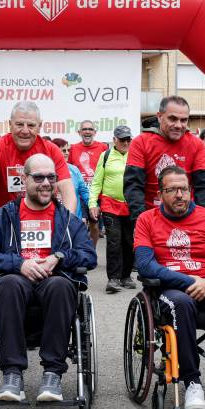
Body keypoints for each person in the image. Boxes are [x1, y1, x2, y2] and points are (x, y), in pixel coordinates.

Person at [0, 153, 97, 403]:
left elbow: (89, 255)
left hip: (53, 283)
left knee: (62, 285)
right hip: (14, 283)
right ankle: (12, 375)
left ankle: (52, 374)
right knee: (8, 284)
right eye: (38, 177)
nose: (46, 183)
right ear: (24, 179)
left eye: (51, 177)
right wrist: (19, 264)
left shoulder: (68, 220)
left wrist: (59, 258)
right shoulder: (4, 217)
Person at [134, 166, 205, 409]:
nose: (180, 195)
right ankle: (192, 382)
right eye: (173, 190)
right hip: (172, 290)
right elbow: (145, 265)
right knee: (182, 303)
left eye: (184, 189)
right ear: (161, 193)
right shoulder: (147, 220)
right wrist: (189, 281)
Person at [0, 101, 75, 215]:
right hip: (7, 219)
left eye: (31, 125)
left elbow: (68, 192)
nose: (25, 131)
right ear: (10, 124)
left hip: (45, 221)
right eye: (19, 124)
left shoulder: (51, 150)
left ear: (39, 126)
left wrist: (68, 222)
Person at [125, 96, 205, 216]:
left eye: (183, 120)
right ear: (160, 117)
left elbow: (204, 188)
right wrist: (140, 221)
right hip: (151, 217)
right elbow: (133, 186)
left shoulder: (197, 144)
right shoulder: (141, 142)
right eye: (173, 119)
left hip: (186, 217)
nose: (178, 125)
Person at [89, 125, 136, 293]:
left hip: (131, 205)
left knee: (130, 242)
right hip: (110, 204)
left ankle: (125, 276)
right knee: (114, 241)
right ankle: (113, 279)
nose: (125, 142)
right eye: (122, 139)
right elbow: (96, 182)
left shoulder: (136, 154)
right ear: (114, 140)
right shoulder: (106, 155)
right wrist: (93, 203)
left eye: (128, 139)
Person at [69, 120, 108, 244]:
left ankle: (92, 252)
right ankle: (80, 253)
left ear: (95, 132)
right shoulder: (73, 148)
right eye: (84, 129)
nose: (87, 131)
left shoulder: (103, 147)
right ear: (79, 132)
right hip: (80, 195)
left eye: (90, 129)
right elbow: (69, 169)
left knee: (95, 227)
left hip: (97, 194)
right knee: (79, 226)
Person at [51, 137, 90, 220]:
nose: (67, 153)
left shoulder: (74, 169)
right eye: (63, 150)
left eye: (68, 150)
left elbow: (83, 191)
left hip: (74, 217)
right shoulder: (45, 170)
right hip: (52, 217)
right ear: (54, 151)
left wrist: (93, 206)